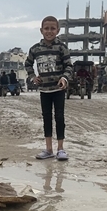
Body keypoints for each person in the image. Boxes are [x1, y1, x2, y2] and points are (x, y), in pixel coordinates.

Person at [25, 15, 72, 161]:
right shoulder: (35, 49)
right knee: (46, 118)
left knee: (59, 117)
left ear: (57, 30)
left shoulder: (62, 48)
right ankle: (49, 149)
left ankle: (61, 149)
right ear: (41, 30)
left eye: (52, 28)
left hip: (58, 90)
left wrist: (64, 78)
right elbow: (27, 64)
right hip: (44, 90)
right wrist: (33, 76)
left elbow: (69, 66)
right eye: (46, 28)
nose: (49, 31)